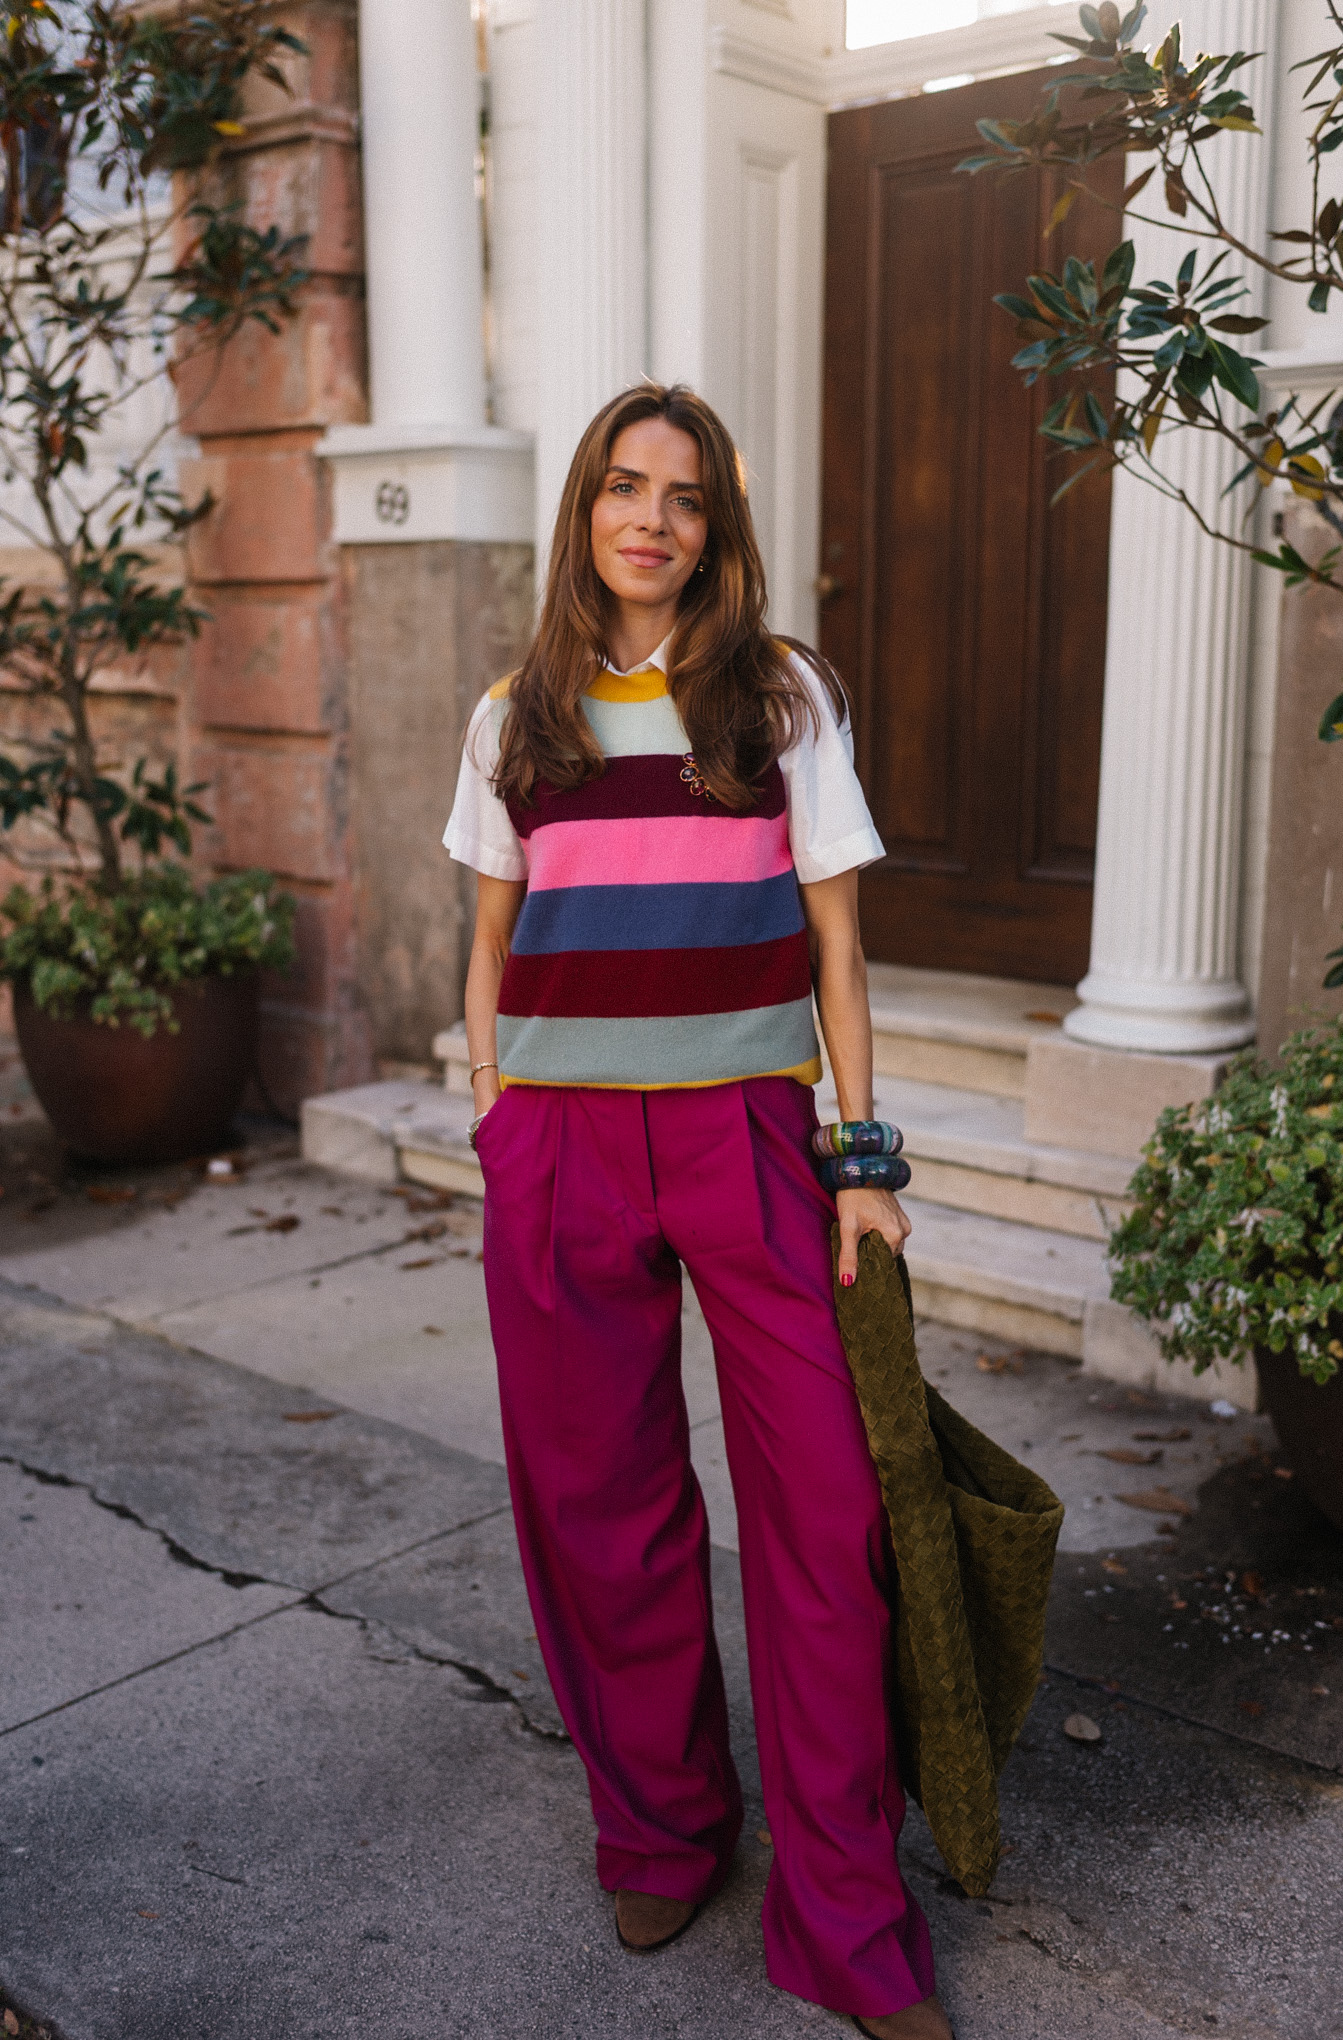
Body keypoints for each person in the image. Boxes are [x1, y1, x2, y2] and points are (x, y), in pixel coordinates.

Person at [443, 382, 952, 2040]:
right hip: (564, 1142)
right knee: (604, 1504)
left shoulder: (781, 700)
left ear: (719, 527)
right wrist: (494, 1102)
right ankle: (663, 1820)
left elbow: (838, 953)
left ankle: (843, 1915)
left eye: (684, 495)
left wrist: (862, 1163)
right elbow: (492, 934)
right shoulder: (516, 713)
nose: (650, 518)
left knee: (826, 1513)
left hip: (748, 1133)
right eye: (621, 486)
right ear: (584, 508)